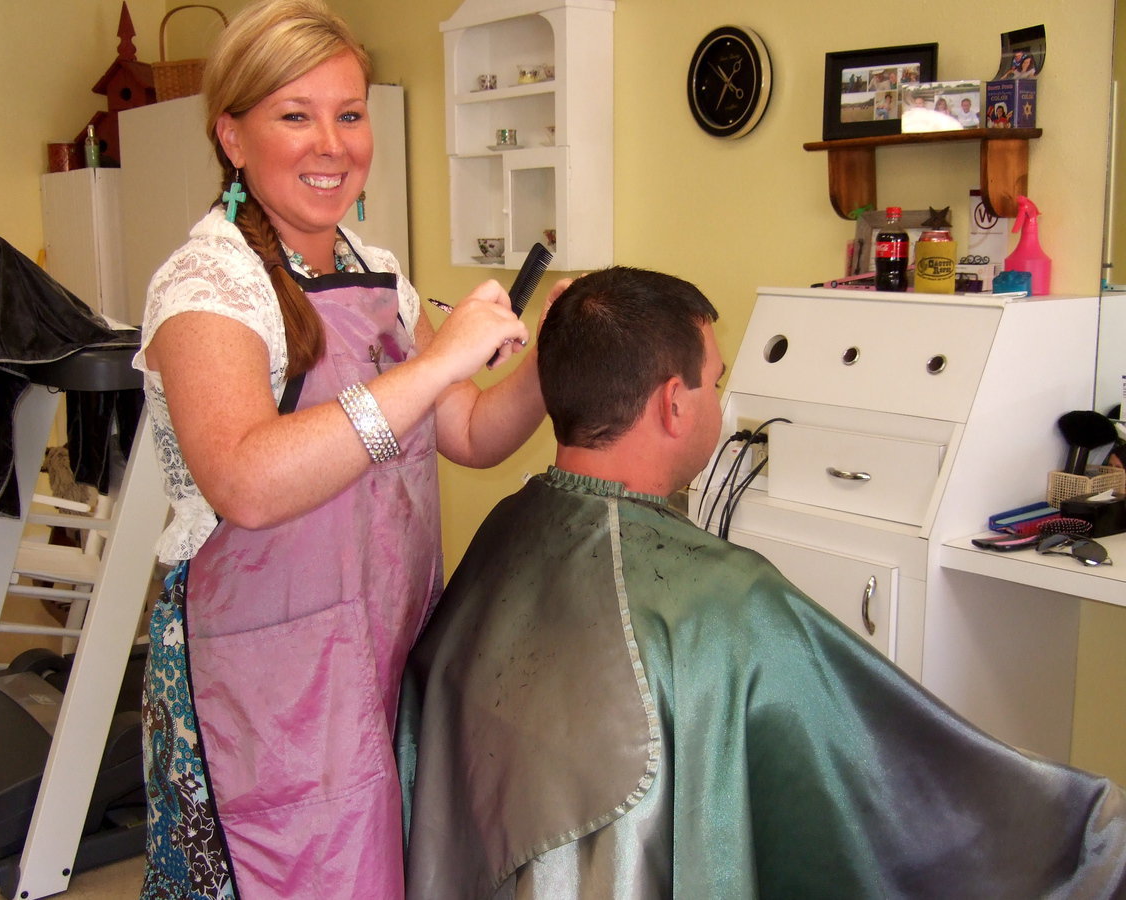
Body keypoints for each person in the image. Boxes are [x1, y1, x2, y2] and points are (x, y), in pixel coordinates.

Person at [396, 266, 1126, 898]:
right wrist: (1092, 831)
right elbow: (902, 788)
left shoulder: (507, 528)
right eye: (715, 380)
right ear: (673, 404)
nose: (719, 397)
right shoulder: (724, 598)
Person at [134, 1, 561, 897]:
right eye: (296, 115)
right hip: (263, 684)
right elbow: (247, 481)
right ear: (233, 137)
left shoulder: (376, 274)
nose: (332, 144)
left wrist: (544, 354)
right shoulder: (205, 284)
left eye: (349, 113)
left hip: (384, 646)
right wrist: (439, 359)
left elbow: (471, 435)